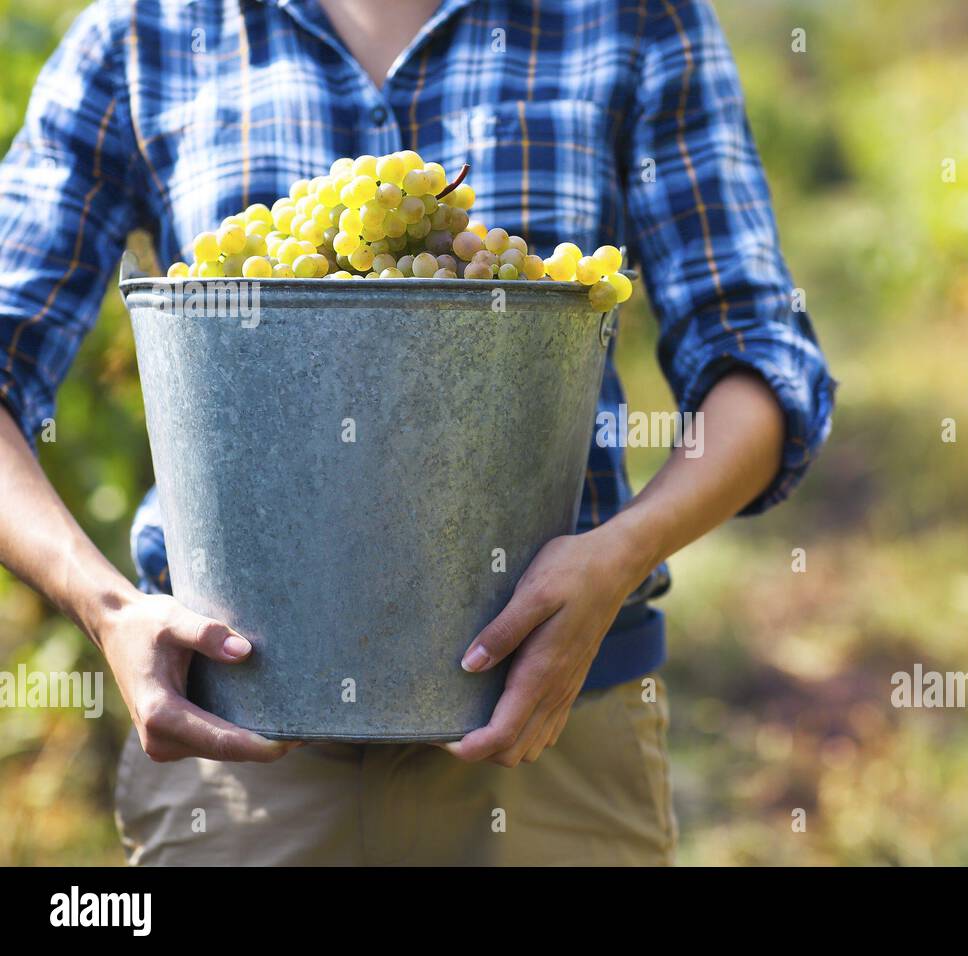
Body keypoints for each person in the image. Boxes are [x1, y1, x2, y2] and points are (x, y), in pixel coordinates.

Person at [0, 0, 834, 865]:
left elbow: (759, 361)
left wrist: (621, 552)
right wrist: (108, 611)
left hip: (553, 732)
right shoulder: (144, 31)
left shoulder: (635, 19)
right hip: (235, 750)